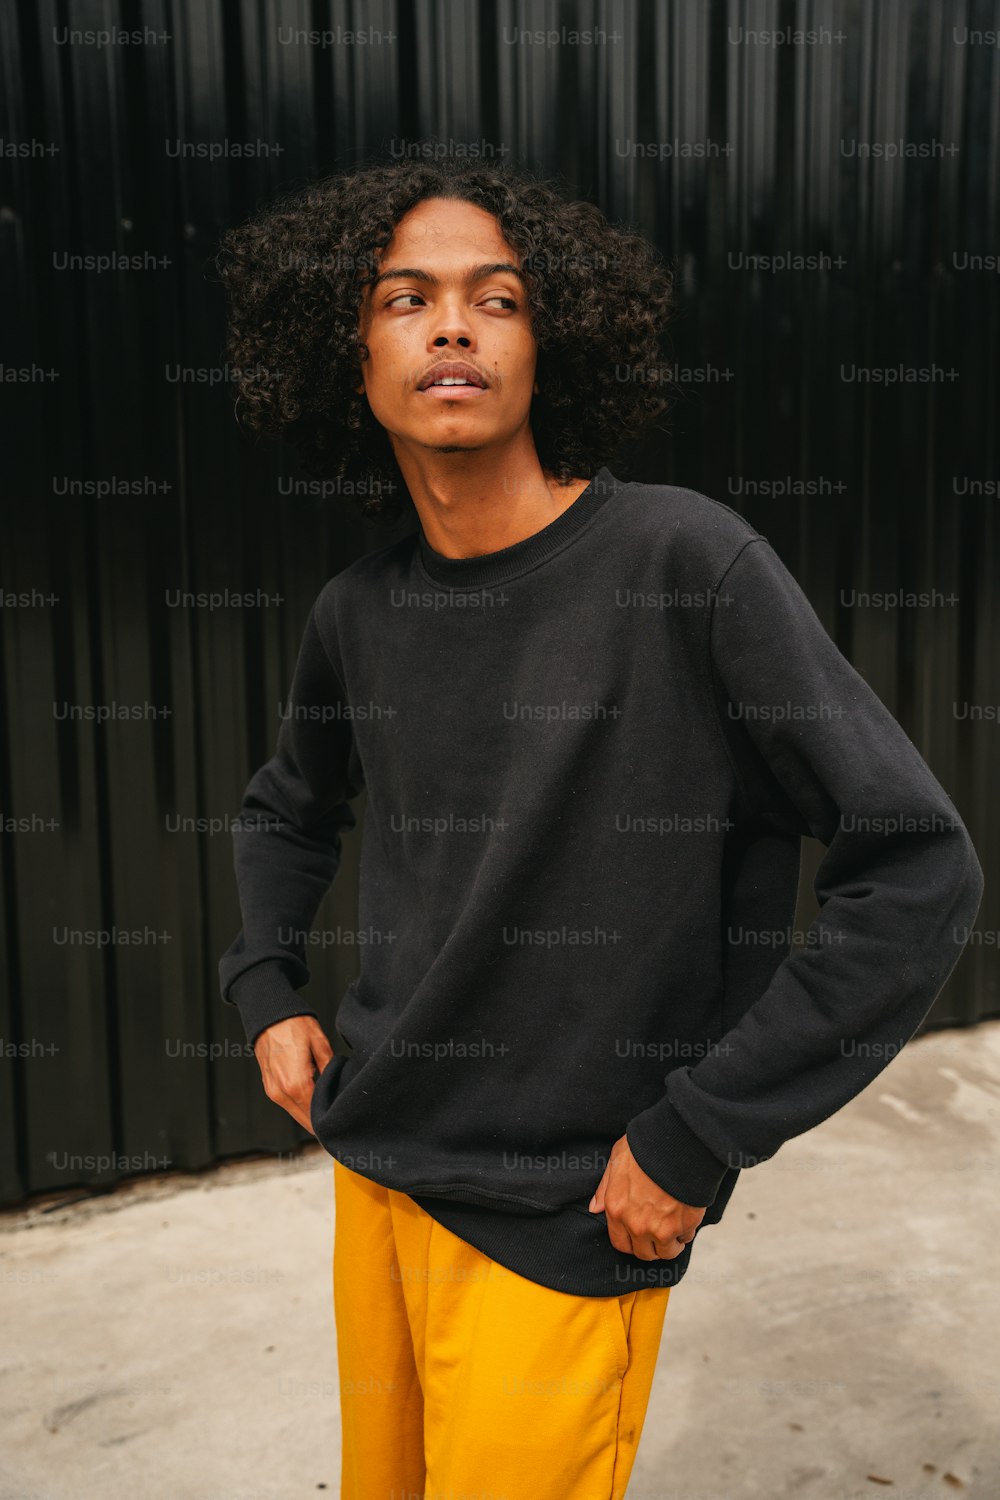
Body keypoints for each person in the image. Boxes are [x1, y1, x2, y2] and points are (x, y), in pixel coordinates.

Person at [215, 156, 983, 1500]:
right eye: (405, 298)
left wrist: (702, 1131)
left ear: (549, 342)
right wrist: (266, 987)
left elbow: (916, 867)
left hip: (567, 1214)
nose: (450, 324)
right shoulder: (359, 610)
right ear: (347, 359)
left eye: (494, 297)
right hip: (378, 1169)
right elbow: (289, 806)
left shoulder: (690, 567)